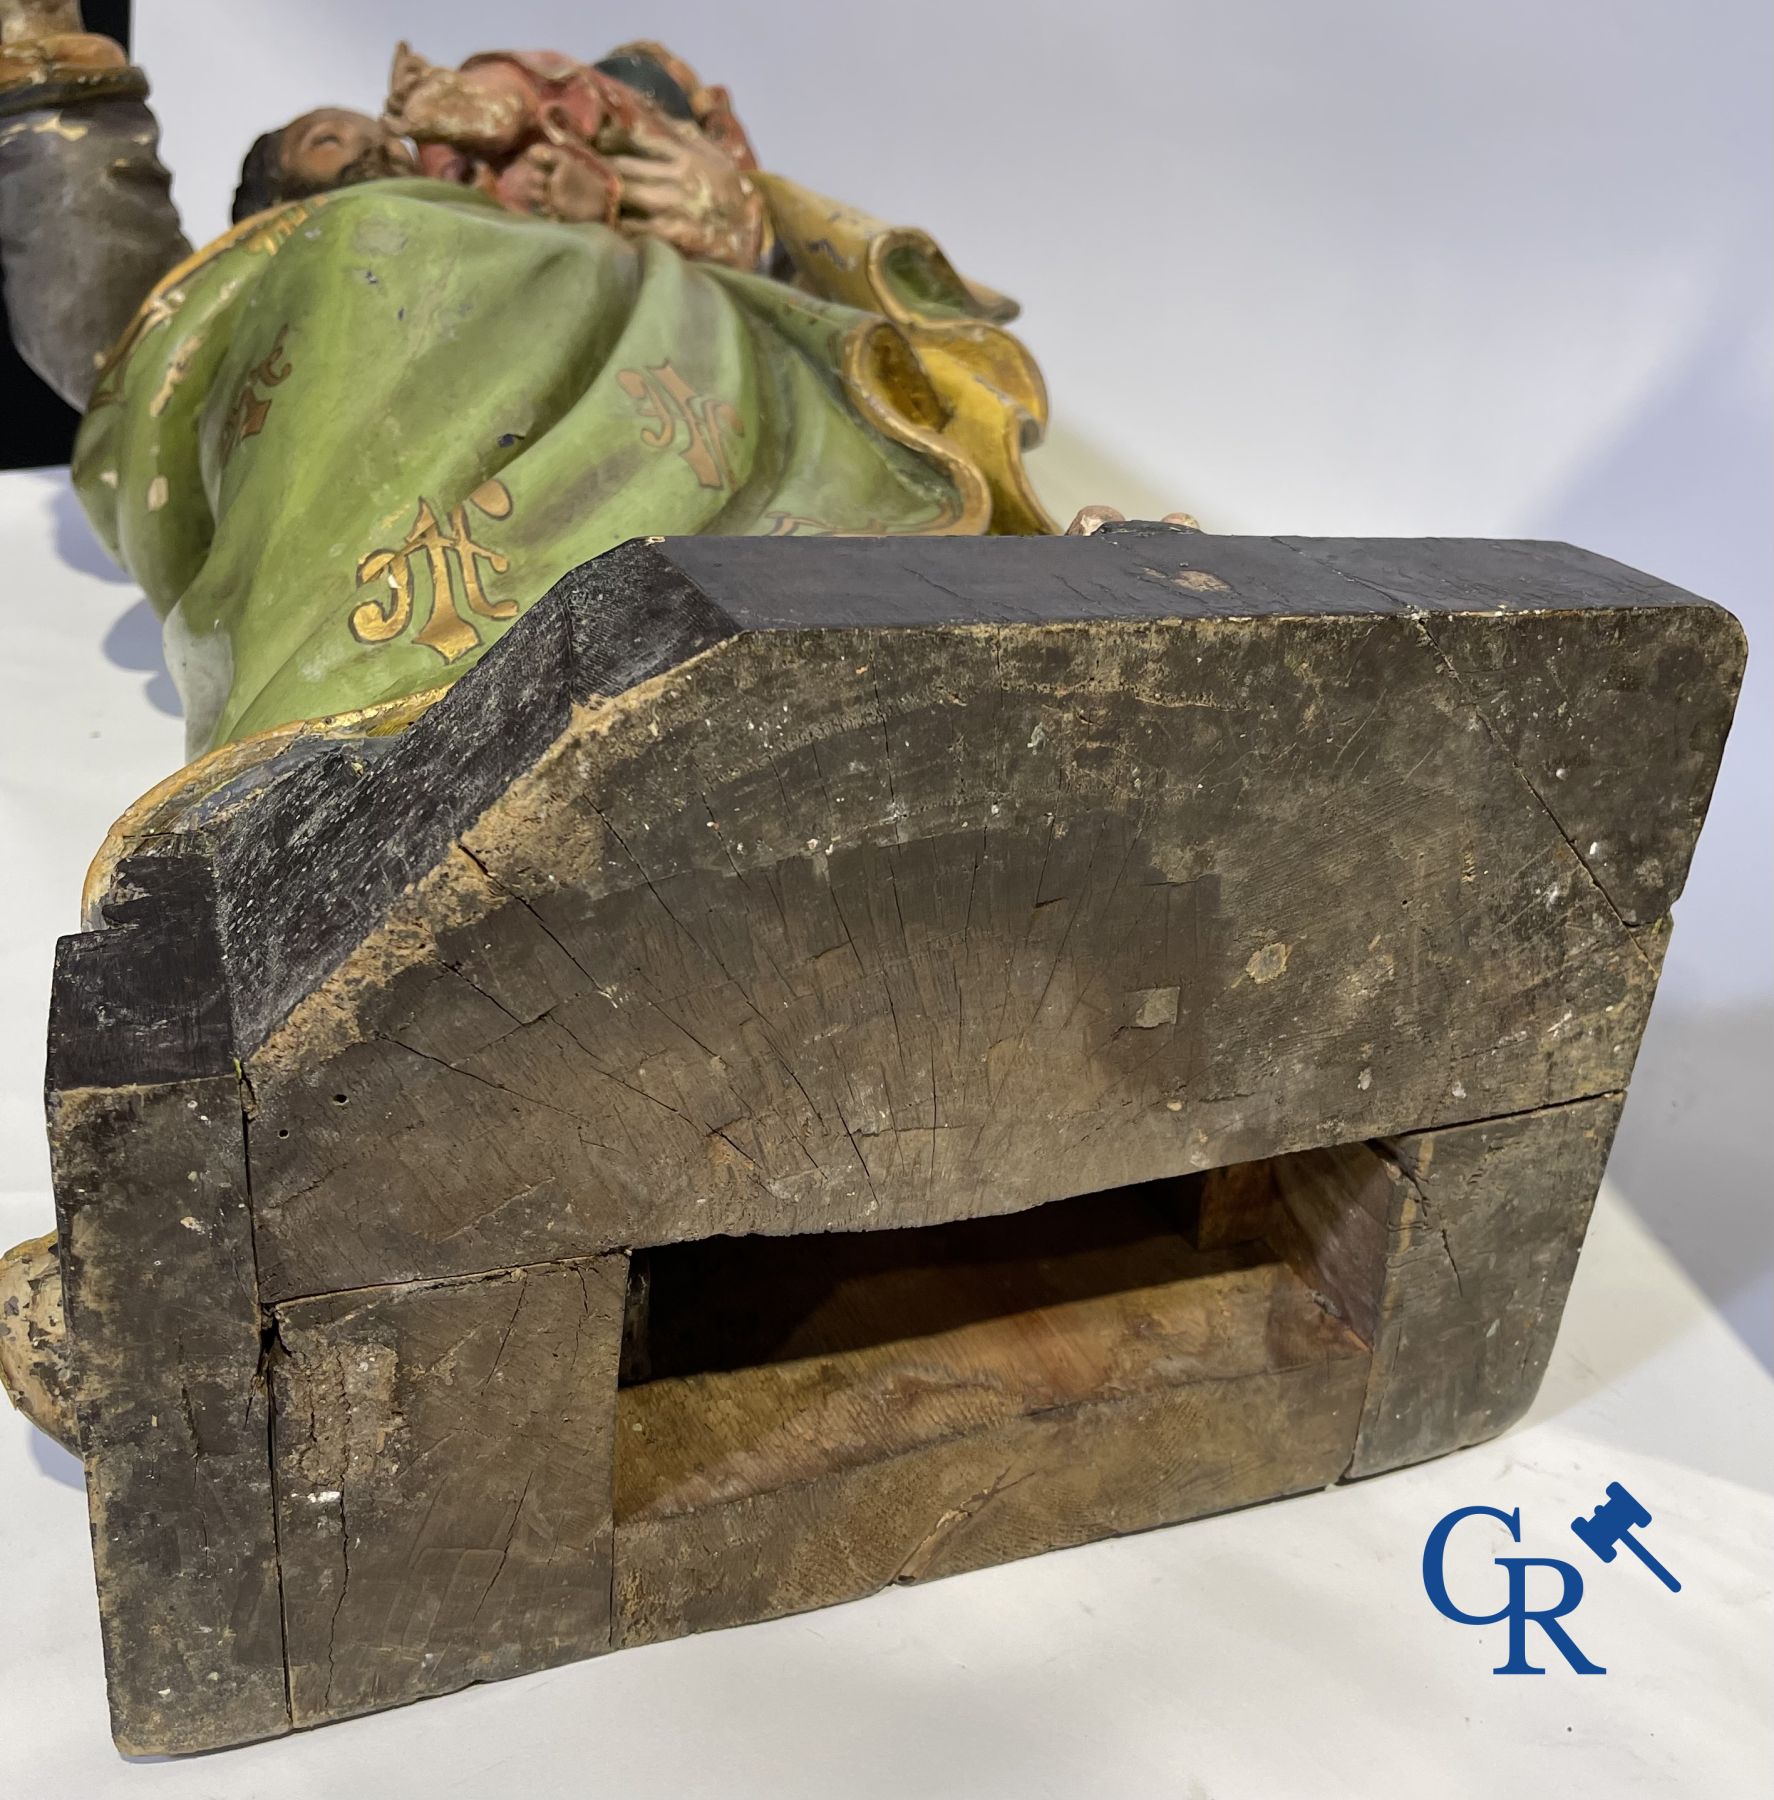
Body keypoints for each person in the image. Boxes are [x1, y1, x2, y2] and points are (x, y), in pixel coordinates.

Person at [1, 5, 1058, 762]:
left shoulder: (516, 213)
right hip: (366, 361)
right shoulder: (281, 274)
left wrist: (652, 203)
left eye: (379, 134)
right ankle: (338, 722)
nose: (370, 141)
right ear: (272, 197)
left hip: (651, 341)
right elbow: (110, 313)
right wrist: (57, 95)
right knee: (375, 240)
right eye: (328, 139)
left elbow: (684, 194)